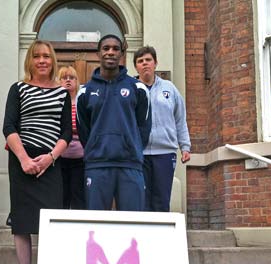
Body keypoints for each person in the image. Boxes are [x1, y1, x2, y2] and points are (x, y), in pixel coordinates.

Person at [3, 40, 72, 264]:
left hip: (51, 164)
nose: (42, 60)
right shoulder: (18, 88)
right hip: (21, 161)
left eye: (46, 56)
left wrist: (50, 158)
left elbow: (66, 132)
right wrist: (24, 159)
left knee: (49, 223)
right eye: (37, 56)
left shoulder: (62, 93)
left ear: (53, 60)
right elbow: (9, 126)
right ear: (30, 61)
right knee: (22, 224)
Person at [76, 34, 151, 211]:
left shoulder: (138, 88)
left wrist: (130, 146)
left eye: (115, 49)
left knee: (132, 225)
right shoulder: (85, 92)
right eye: (106, 48)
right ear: (98, 53)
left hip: (130, 165)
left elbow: (144, 127)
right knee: (96, 224)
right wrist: (97, 146)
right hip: (97, 165)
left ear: (122, 54)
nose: (110, 52)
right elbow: (84, 131)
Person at [134, 46, 191, 212]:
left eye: (148, 60)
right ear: (136, 66)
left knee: (161, 200)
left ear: (155, 63)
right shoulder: (131, 88)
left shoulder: (169, 88)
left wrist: (185, 146)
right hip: (139, 154)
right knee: (142, 201)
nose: (145, 64)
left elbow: (180, 119)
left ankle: (160, 238)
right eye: (140, 61)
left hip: (165, 154)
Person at [57, 66, 85, 209]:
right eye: (64, 78)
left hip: (80, 158)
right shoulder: (55, 102)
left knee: (78, 195)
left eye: (72, 77)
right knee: (62, 195)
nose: (68, 80)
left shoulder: (82, 102)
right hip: (59, 158)